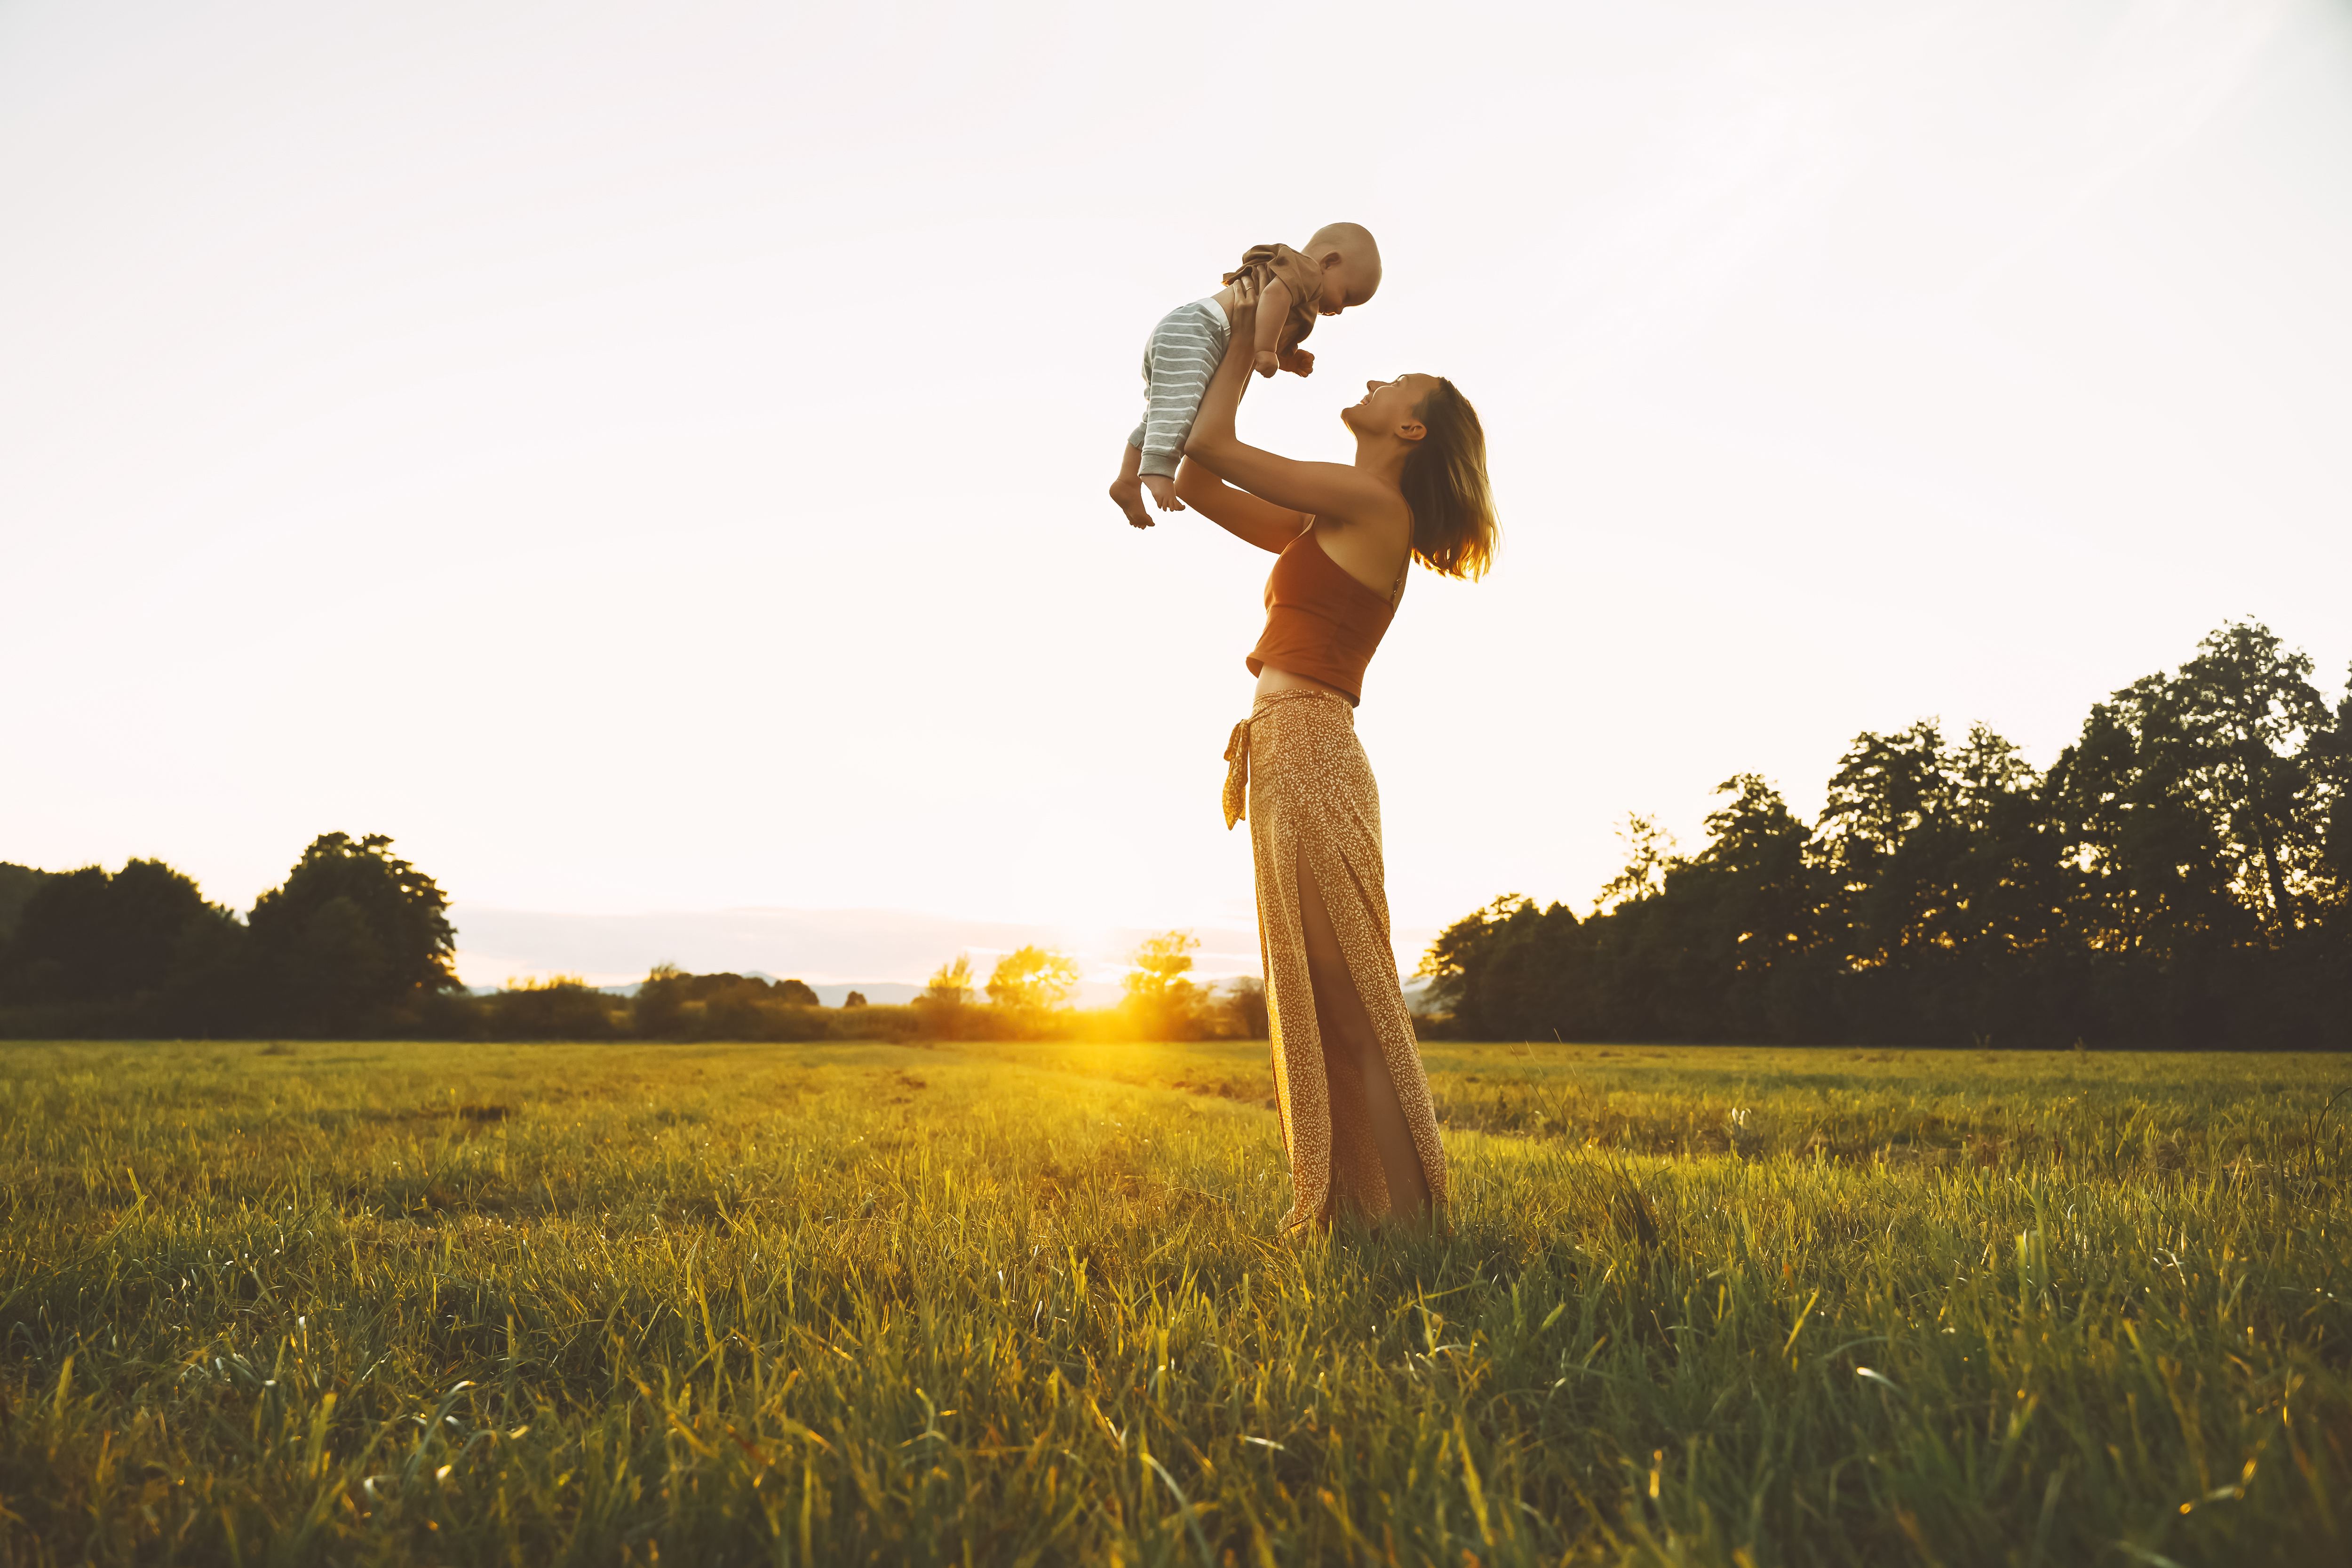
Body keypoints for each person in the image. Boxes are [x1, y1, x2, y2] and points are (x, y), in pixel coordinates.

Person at [1174, 272, 1496, 1233]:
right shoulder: (1331, 512)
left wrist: (1245, 338)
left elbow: (1210, 445)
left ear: (1411, 432)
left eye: (1402, 382)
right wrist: (1226, 348)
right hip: (1283, 749)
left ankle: (1415, 1228)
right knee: (1318, 989)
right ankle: (1365, 1218)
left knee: (1348, 990)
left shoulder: (1368, 504)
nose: (1381, 378)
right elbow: (1193, 480)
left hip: (1311, 746)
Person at [1109, 224, 1383, 530]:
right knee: (1180, 410)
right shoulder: (1305, 271)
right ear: (1329, 262)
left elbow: (1270, 315)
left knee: (1163, 413)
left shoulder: (1299, 284)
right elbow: (1275, 297)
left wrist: (1287, 358)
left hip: (1190, 331)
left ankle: (1126, 481)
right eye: (1346, 296)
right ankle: (1158, 471)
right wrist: (1266, 350)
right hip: (1202, 331)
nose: (1341, 310)